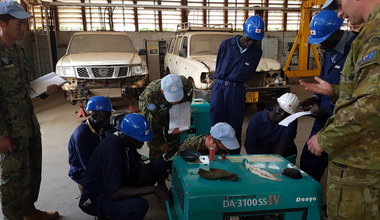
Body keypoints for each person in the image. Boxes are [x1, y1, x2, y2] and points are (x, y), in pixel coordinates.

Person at [299, 0, 380, 219]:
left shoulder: (372, 37)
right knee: (310, 165)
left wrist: (326, 138)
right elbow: (357, 88)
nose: (341, 12)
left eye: (341, 3)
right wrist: (328, 92)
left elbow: (371, 105)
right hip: (333, 122)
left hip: (358, 153)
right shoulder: (367, 33)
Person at [0, 1, 60, 219]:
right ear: (3, 23)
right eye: (19, 24)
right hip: (10, 129)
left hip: (28, 123)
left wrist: (45, 90)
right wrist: (1, 135)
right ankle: (13, 216)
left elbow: (26, 88)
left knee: (32, 172)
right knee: (13, 177)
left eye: (25, 23)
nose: (24, 29)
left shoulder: (18, 51)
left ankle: (29, 211)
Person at [299, 10, 357, 181]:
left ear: (336, 33)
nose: (321, 46)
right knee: (310, 157)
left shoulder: (355, 49)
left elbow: (359, 90)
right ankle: (308, 195)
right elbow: (324, 79)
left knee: (339, 161)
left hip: (345, 118)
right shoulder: (329, 49)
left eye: (323, 41)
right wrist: (315, 98)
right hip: (324, 113)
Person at [79, 113, 171, 219]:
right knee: (138, 206)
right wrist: (152, 189)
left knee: (159, 165)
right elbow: (114, 192)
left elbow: (138, 164)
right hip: (98, 196)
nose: (142, 144)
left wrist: (145, 171)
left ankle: (163, 192)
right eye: (140, 140)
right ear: (128, 136)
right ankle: (108, 214)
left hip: (121, 179)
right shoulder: (112, 150)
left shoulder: (126, 141)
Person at [210, 15, 264, 154]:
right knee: (217, 124)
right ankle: (214, 155)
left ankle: (234, 158)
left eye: (255, 40)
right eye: (249, 38)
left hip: (237, 91)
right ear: (243, 30)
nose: (251, 42)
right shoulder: (226, 44)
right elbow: (219, 65)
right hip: (220, 89)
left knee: (235, 125)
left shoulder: (256, 52)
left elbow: (249, 72)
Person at [139, 73, 193, 160]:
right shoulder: (151, 95)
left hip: (172, 108)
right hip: (155, 107)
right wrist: (160, 143)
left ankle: (172, 160)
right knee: (156, 146)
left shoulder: (187, 85)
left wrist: (180, 124)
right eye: (172, 98)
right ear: (162, 91)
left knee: (174, 137)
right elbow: (152, 125)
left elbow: (185, 105)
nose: (175, 101)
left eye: (177, 97)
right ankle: (157, 164)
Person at [68, 96, 115, 191]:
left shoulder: (103, 125)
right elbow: (87, 165)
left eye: (109, 115)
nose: (108, 119)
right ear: (93, 115)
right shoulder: (81, 135)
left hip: (97, 159)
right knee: (106, 187)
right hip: (81, 169)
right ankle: (85, 192)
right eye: (105, 116)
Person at [244, 93, 299, 158]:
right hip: (260, 154)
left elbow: (283, 145)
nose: (282, 114)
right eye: (280, 110)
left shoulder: (291, 121)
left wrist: (275, 163)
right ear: (275, 105)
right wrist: (257, 162)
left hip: (283, 154)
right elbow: (250, 145)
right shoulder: (256, 119)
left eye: (286, 113)